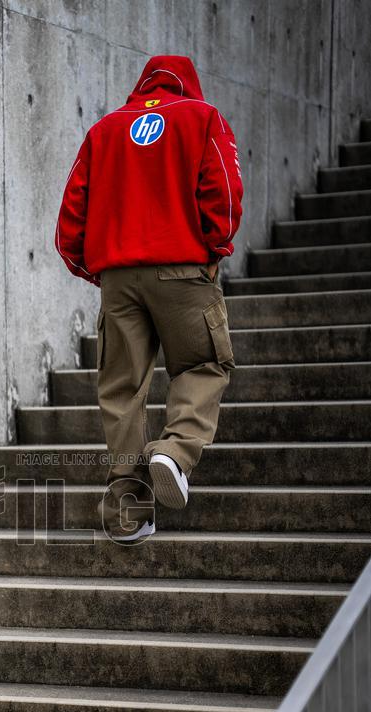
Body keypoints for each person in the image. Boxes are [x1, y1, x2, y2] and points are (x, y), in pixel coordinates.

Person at [55, 54, 243, 542]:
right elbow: (222, 193)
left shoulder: (104, 131)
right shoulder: (203, 118)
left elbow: (70, 219)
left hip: (118, 277)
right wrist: (213, 250)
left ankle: (128, 509)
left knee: (122, 389)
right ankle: (175, 452)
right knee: (203, 365)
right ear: (189, 85)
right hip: (183, 268)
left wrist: (100, 271)